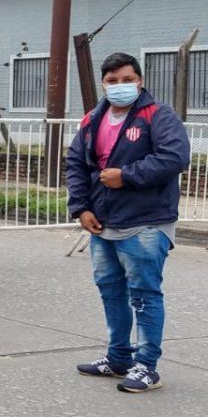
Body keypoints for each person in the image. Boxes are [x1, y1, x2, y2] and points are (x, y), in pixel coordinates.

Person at [67, 53, 190, 393]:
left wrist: (127, 176)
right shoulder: (93, 119)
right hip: (103, 221)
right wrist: (81, 208)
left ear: (140, 81)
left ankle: (147, 366)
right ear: (103, 84)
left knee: (144, 294)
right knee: (110, 290)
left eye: (126, 80)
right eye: (112, 81)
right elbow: (76, 163)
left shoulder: (158, 115)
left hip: (146, 221)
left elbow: (175, 157)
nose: (119, 86)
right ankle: (118, 357)